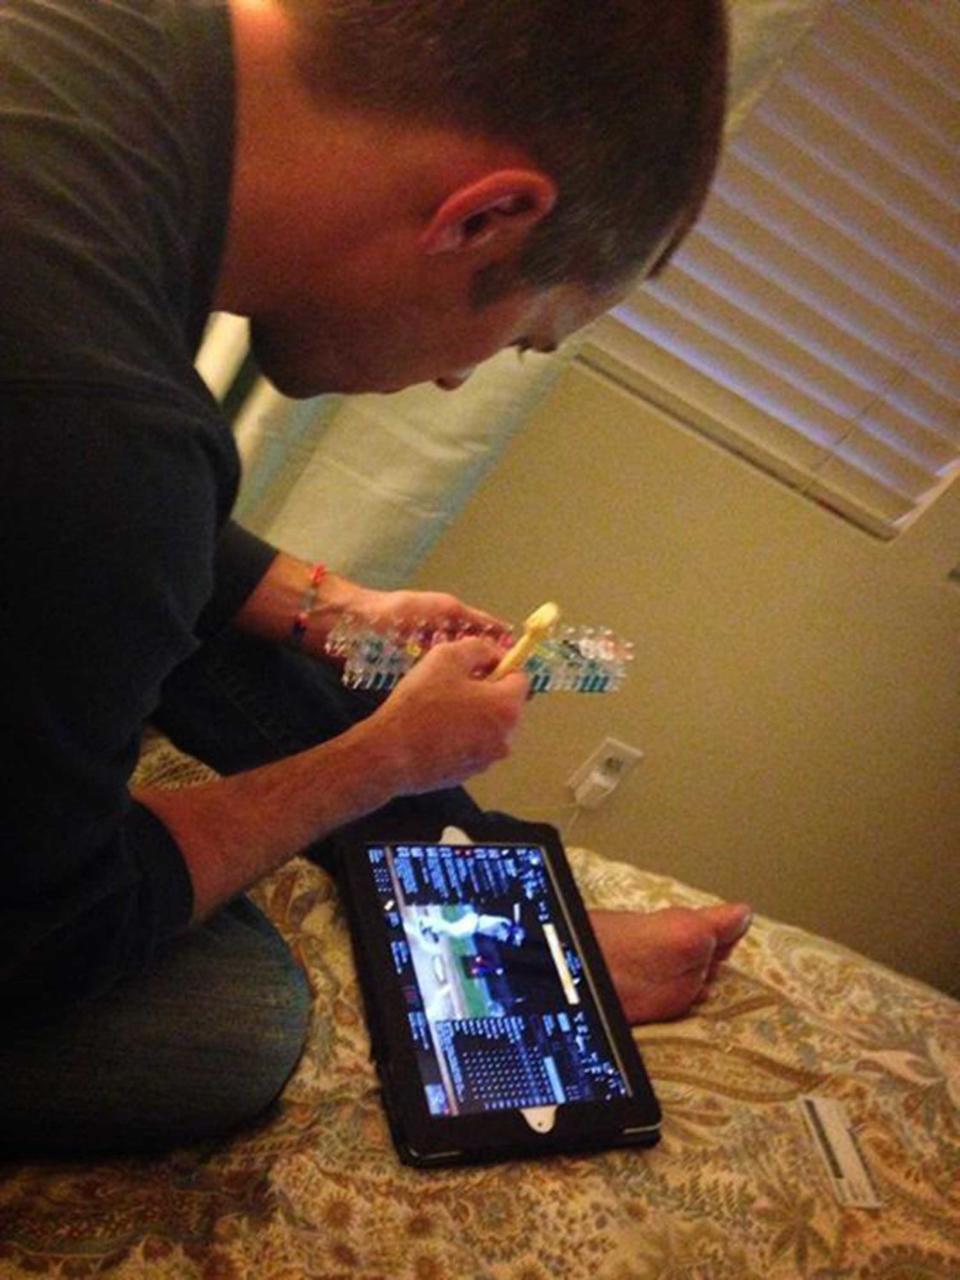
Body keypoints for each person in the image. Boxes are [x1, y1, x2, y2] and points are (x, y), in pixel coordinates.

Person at [0, 0, 751, 1156]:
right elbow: (47, 933)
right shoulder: (96, 433)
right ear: (486, 217)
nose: (458, 384)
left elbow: (105, 531)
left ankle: (506, 902)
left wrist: (330, 605)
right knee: (240, 1017)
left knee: (271, 627)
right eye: (513, 340)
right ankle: (501, 922)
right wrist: (380, 758)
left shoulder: (104, 54)